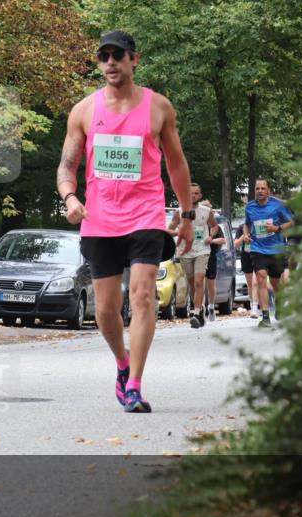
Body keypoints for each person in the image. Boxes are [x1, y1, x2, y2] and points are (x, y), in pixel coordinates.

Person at [57, 30, 193, 414]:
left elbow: (176, 164)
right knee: (105, 309)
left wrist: (186, 215)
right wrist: (70, 198)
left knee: (144, 294)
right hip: (100, 218)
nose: (111, 62)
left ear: (135, 59)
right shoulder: (84, 111)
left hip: (146, 213)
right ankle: (122, 362)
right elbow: (67, 167)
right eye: (104, 56)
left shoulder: (158, 107)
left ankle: (135, 384)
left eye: (118, 54)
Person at [242, 179, 293, 328]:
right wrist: (245, 234)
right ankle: (265, 317)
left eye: (263, 188)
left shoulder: (278, 205)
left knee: (276, 282)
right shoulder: (250, 207)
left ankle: (279, 301)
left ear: (269, 191)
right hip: (257, 248)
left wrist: (277, 229)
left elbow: (292, 222)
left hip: (276, 249)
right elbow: (247, 224)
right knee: (261, 279)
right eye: (257, 188)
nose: (260, 191)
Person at [167, 183, 216, 328]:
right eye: (190, 193)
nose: (193, 196)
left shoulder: (206, 211)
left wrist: (210, 236)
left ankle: (196, 313)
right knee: (192, 283)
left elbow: (214, 226)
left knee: (199, 281)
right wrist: (180, 232)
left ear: (200, 196)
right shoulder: (179, 212)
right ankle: (200, 308)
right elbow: (169, 230)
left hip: (202, 250)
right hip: (185, 252)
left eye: (196, 193)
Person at [200, 200, 225, 321]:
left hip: (211, 256)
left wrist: (211, 241)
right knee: (199, 283)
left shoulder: (214, 226)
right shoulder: (197, 225)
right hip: (199, 256)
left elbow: (223, 240)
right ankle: (201, 308)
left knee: (211, 284)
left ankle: (211, 306)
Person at [234, 223, 259, 317]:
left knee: (255, 283)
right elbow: (235, 244)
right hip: (246, 257)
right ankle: (253, 305)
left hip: (258, 255)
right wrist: (244, 236)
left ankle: (256, 307)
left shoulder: (258, 224)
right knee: (250, 284)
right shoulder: (241, 227)